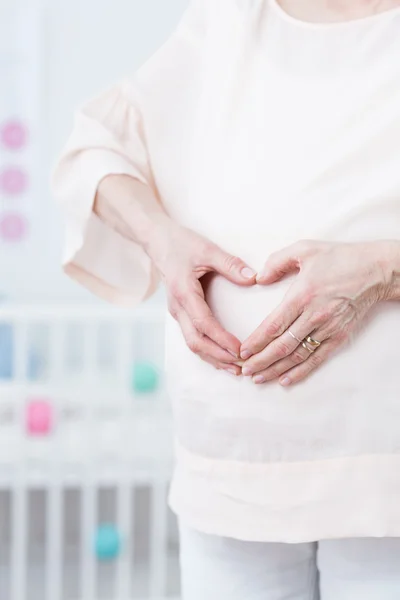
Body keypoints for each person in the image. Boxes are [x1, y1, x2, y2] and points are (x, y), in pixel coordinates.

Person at [53, 0, 400, 597]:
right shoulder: (226, 19)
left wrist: (380, 268)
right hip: (229, 470)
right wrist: (163, 239)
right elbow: (94, 151)